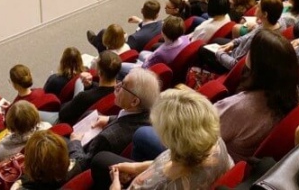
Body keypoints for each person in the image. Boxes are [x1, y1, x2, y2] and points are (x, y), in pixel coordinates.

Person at [91, 89, 233, 190]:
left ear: (169, 139)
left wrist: (115, 186)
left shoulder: (154, 186)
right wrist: (137, 167)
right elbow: (173, 161)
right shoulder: (216, 143)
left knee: (99, 161)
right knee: (102, 160)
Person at [215, 30, 299, 161]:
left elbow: (198, 135)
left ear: (259, 63)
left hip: (217, 161)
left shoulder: (240, 107)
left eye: (250, 50)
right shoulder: (292, 95)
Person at [68, 68, 161, 172]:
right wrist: (109, 119)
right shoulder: (152, 117)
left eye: (123, 86)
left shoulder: (106, 138)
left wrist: (75, 142)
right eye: (120, 81)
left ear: (134, 102)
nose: (116, 86)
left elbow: (82, 166)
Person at [212, 0, 284, 71]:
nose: (256, 7)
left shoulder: (259, 41)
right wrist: (233, 43)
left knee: (202, 50)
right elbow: (248, 35)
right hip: (238, 50)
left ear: (265, 14)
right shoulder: (275, 23)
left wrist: (219, 53)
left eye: (258, 6)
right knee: (216, 40)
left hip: (233, 63)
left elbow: (237, 65)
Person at [57, 51, 121, 126]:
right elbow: (104, 90)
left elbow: (62, 114)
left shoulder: (84, 97)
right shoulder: (122, 90)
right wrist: (91, 85)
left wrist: (75, 98)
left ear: (99, 72)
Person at [120, 16, 190, 77]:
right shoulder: (185, 39)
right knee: (142, 53)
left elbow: (145, 67)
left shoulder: (161, 53)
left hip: (145, 71)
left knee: (120, 66)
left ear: (163, 32)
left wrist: (140, 63)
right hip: (165, 60)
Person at [87, 0, 163, 53]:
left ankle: (97, 44)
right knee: (104, 32)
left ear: (141, 11)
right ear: (157, 15)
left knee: (104, 35)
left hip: (113, 61)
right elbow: (149, 28)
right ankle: (95, 41)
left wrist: (122, 38)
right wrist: (140, 21)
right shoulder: (162, 25)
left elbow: (121, 52)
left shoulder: (134, 38)